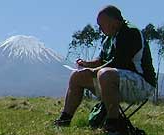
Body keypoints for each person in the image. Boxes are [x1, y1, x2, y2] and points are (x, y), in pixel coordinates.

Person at [53, 5, 157, 134]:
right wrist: (86, 64)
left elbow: (119, 62)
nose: (100, 28)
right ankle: (64, 120)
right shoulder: (109, 37)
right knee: (77, 76)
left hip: (142, 84)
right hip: (114, 81)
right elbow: (101, 60)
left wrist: (94, 71)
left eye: (101, 24)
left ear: (113, 22)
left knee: (105, 74)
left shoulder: (130, 32)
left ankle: (113, 125)